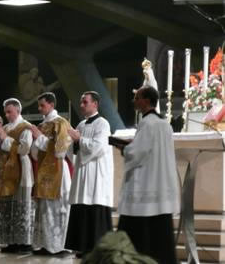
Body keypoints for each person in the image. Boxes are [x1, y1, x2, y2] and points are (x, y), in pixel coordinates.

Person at [115, 86, 179, 264]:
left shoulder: (147, 123)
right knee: (161, 235)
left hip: (145, 184)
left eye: (137, 98)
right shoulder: (165, 124)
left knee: (139, 232)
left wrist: (124, 148)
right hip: (161, 184)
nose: (134, 101)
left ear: (147, 100)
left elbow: (138, 152)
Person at [65, 91, 114, 257]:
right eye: (81, 102)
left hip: (95, 175)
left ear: (95, 104)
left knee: (93, 207)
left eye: (85, 102)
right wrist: (73, 143)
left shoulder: (103, 124)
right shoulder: (80, 125)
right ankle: (82, 246)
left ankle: (96, 249)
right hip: (81, 174)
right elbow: (72, 150)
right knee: (81, 207)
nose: (81, 105)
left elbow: (98, 147)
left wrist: (79, 140)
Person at [30, 92, 73, 255]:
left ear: (52, 105)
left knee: (57, 208)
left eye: (43, 105)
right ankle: (44, 244)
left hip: (57, 172)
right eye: (39, 105)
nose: (40, 108)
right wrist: (36, 139)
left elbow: (60, 151)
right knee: (43, 209)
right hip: (43, 171)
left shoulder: (61, 123)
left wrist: (39, 137)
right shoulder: (41, 125)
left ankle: (58, 246)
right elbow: (35, 153)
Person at [0, 98, 34, 253]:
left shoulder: (25, 127)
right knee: (7, 207)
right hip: (4, 172)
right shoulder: (6, 127)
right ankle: (10, 241)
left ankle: (24, 243)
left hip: (21, 170)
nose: (7, 115)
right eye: (6, 112)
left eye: (10, 111)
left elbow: (25, 148)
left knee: (20, 205)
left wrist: (5, 140)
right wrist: (1, 140)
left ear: (18, 110)